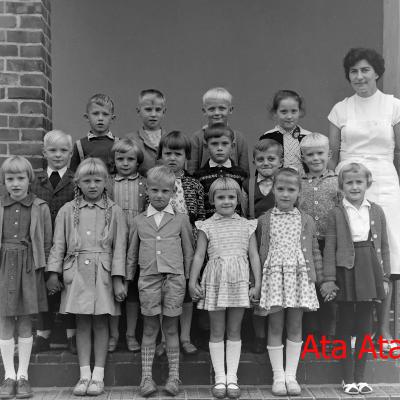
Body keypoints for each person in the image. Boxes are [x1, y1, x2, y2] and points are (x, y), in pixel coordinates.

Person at [328, 47, 400, 351]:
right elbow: (333, 155)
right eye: (354, 71)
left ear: (377, 72)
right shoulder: (340, 109)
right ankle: (349, 329)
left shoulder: (394, 106)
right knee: (351, 248)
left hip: (385, 182)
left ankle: (383, 330)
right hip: (349, 181)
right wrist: (338, 185)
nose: (359, 76)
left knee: (386, 253)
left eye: (365, 70)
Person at [46, 158, 128, 396]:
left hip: (103, 274)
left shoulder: (115, 211)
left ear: (106, 182)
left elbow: (120, 248)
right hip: (77, 273)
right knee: (81, 323)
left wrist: (118, 279)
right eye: (87, 181)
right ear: (78, 183)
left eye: (97, 180)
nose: (92, 185)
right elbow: (58, 245)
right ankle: (84, 375)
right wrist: (53, 273)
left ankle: (98, 376)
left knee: (101, 323)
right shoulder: (67, 210)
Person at [320, 163, 390, 395]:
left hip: (369, 268)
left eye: (359, 182)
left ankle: (361, 377)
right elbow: (330, 247)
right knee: (345, 324)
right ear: (342, 186)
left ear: (367, 184)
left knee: (364, 325)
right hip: (346, 271)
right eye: (349, 182)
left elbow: (384, 247)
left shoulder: (376, 210)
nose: (354, 186)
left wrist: (385, 278)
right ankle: (347, 377)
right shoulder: (336, 212)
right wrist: (329, 278)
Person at [189, 177, 261, 399]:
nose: (226, 201)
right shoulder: (206, 226)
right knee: (217, 330)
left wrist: (257, 283)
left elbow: (254, 255)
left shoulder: (246, 225)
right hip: (216, 281)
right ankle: (220, 377)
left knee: (234, 330)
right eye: (221, 197)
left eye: (231, 197)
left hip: (239, 281)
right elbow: (199, 255)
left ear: (238, 199)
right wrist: (192, 281)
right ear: (212, 200)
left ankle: (233, 378)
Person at [127, 166, 194, 397]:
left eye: (165, 191)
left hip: (174, 281)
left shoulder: (181, 219)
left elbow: (189, 252)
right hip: (148, 280)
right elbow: (131, 254)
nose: (159, 195)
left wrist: (189, 280)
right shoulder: (138, 221)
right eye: (154, 190)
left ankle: (174, 377)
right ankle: (146, 378)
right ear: (146, 189)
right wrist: (126, 280)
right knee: (149, 328)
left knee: (171, 328)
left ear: (173, 192)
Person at [257, 168, 322, 396]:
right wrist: (257, 281)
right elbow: (258, 252)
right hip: (274, 277)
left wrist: (318, 278)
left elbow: (314, 250)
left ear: (299, 192)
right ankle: (278, 377)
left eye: (291, 190)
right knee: (275, 325)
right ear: (273, 190)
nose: (285, 194)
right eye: (281, 189)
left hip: (298, 277)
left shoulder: (306, 220)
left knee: (295, 325)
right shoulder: (264, 220)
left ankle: (291, 376)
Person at [0, 156, 52, 399]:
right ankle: (8, 376)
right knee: (5, 320)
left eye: (20, 178)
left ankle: (23, 376)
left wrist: (48, 272)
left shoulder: (40, 207)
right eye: (10, 179)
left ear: (29, 180)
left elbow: (47, 243)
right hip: (3, 267)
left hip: (29, 267)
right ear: (4, 181)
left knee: (24, 321)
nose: (15, 183)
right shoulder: (0, 205)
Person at [157, 130, 205, 356]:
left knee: (185, 291)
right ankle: (164, 338)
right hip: (162, 245)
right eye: (168, 153)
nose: (172, 158)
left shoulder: (194, 184)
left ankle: (185, 337)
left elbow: (201, 217)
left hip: (187, 246)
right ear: (161, 155)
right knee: (163, 291)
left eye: (178, 154)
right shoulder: (156, 182)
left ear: (187, 157)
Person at [30, 130, 77, 355]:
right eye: (53, 150)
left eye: (63, 150)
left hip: (69, 244)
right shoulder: (35, 181)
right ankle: (43, 333)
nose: (58, 155)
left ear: (71, 153)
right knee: (42, 289)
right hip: (42, 243)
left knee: (69, 288)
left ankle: (72, 334)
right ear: (44, 152)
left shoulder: (76, 180)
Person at [298, 133, 339, 349]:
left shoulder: (337, 181)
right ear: (303, 157)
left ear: (329, 154)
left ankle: (329, 334)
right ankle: (310, 334)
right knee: (309, 286)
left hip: (330, 244)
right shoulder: (299, 183)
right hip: (305, 245)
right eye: (310, 154)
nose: (315, 158)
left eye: (320, 153)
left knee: (329, 286)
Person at [241, 139, 283, 354]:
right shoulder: (248, 185)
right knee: (256, 286)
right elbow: (243, 214)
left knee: (276, 288)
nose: (266, 163)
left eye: (271, 158)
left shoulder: (284, 184)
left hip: (279, 242)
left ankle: (276, 335)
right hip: (255, 244)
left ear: (280, 161)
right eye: (260, 159)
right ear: (254, 162)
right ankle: (259, 336)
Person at [106, 138, 147, 353]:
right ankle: (113, 334)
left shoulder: (145, 183)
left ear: (138, 162)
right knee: (113, 289)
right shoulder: (108, 182)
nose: (124, 163)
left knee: (132, 292)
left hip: (137, 242)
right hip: (113, 242)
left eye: (130, 159)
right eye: (120, 158)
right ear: (113, 160)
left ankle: (130, 334)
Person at [188, 87, 249, 175]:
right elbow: (191, 171)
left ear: (230, 110)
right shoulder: (197, 138)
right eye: (211, 109)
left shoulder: (239, 138)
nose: (216, 113)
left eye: (222, 108)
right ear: (204, 111)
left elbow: (245, 173)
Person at [194, 123, 248, 219]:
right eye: (214, 144)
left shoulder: (241, 174)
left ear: (232, 146)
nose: (219, 148)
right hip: (209, 225)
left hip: (235, 224)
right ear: (206, 146)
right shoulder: (198, 176)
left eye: (225, 144)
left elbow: (244, 204)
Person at [259, 90, 311, 174]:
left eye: (294, 111)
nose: (289, 116)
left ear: (300, 112)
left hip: (303, 181)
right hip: (276, 181)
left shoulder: (308, 137)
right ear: (275, 112)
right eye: (284, 112)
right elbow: (261, 166)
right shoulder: (268, 137)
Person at [70, 94, 119, 173]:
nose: (100, 118)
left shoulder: (120, 144)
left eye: (105, 114)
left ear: (112, 119)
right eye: (95, 114)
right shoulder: (80, 146)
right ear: (87, 117)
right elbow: (72, 175)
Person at [126, 89, 167, 175]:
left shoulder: (171, 139)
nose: (153, 114)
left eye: (158, 110)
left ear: (164, 112)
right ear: (138, 111)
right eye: (148, 109)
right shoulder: (130, 140)